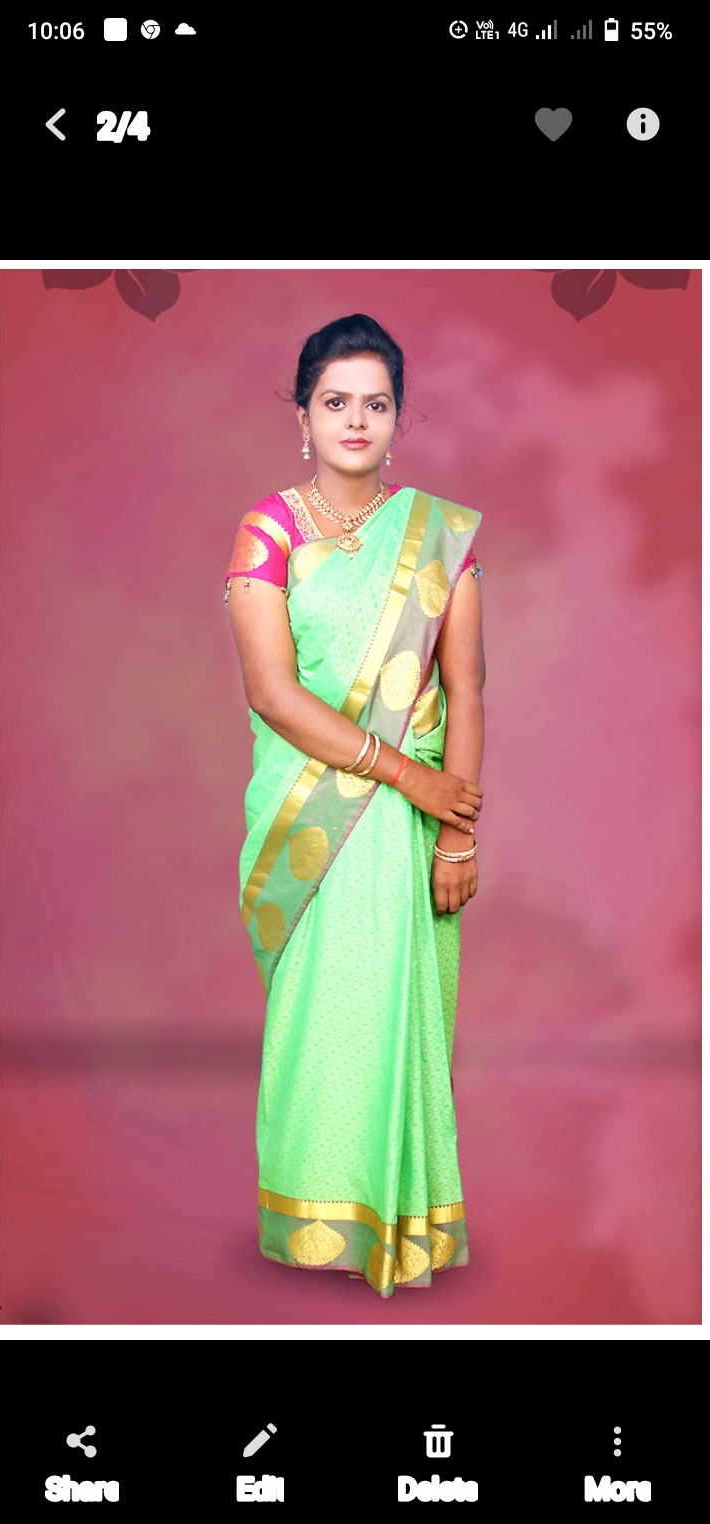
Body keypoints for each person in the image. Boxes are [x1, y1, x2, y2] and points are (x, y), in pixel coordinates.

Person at [224, 313, 485, 1299]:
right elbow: (272, 694)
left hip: (409, 836)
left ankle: (399, 1221)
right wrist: (409, 777)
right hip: (309, 822)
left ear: (399, 419)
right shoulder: (269, 531)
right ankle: (314, 1218)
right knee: (320, 1023)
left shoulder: (440, 539)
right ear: (302, 416)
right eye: (335, 402)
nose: (356, 420)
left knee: (396, 1020)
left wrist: (455, 836)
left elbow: (466, 690)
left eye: (376, 404)